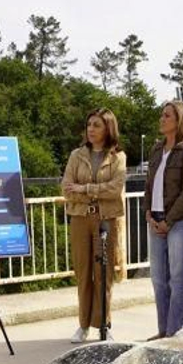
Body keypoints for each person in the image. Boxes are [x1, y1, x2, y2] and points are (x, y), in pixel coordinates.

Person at [62, 109, 127, 343]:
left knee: (103, 274)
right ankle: (83, 325)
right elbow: (66, 189)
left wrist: (85, 189)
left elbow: (115, 189)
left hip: (105, 220)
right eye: (89, 124)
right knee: (83, 273)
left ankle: (103, 325)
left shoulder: (118, 157)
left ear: (108, 128)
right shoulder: (77, 155)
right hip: (80, 219)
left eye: (97, 125)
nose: (91, 129)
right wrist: (92, 193)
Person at [144, 101, 183, 338]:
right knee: (158, 280)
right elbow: (149, 185)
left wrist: (168, 221)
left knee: (178, 281)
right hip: (156, 218)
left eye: (167, 115)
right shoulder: (156, 150)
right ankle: (163, 332)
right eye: (162, 114)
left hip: (181, 221)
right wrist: (148, 212)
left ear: (180, 120)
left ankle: (174, 333)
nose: (162, 118)